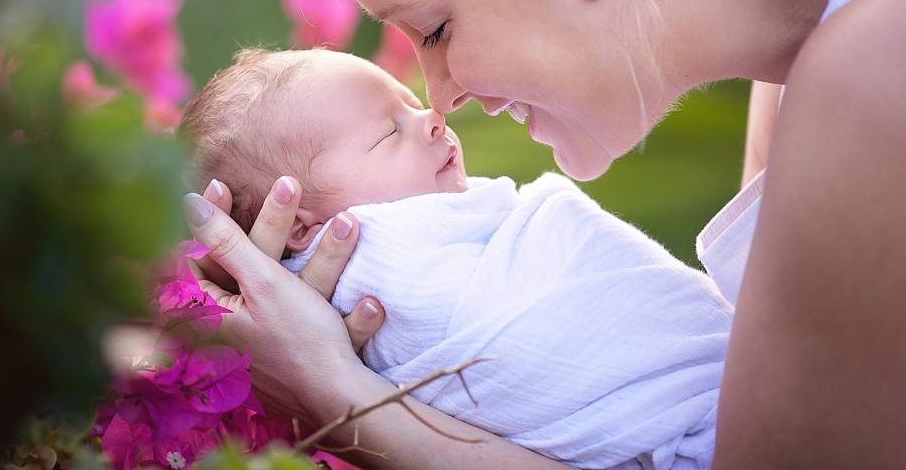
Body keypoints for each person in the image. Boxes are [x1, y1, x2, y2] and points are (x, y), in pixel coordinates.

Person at [181, 0, 906, 467]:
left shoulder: (873, 69)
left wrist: (339, 397)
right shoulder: (806, 75)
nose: (440, 97)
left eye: (434, 28)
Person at [179, 47, 733, 469]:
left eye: (412, 104)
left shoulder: (432, 224)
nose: (433, 118)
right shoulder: (370, 255)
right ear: (300, 226)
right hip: (692, 417)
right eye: (389, 133)